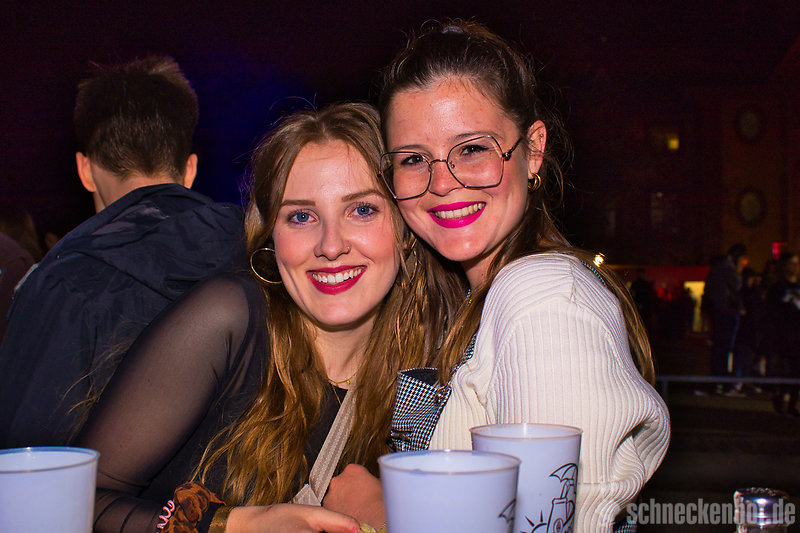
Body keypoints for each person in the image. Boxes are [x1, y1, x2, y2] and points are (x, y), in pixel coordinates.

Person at [329, 21, 670, 532]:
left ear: (533, 149)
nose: (441, 183)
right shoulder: (473, 301)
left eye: (472, 148)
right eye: (414, 159)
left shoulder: (542, 298)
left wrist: (377, 511)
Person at [75, 103, 441, 533]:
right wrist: (235, 525)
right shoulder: (229, 321)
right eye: (301, 216)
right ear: (271, 237)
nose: (330, 245)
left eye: (362, 210)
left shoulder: (423, 364)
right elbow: (75, 499)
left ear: (405, 226)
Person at [0, 56, 246, 447]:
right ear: (190, 169)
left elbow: (25, 455)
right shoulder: (265, 256)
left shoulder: (61, 282)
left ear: (86, 170)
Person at [702, 243, 747, 393]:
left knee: (719, 347)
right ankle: (723, 380)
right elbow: (736, 288)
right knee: (725, 347)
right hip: (727, 312)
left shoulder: (716, 269)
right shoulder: (728, 269)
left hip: (718, 311)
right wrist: (739, 307)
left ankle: (717, 380)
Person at [765, 251, 800, 416]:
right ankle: (779, 395)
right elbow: (771, 312)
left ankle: (792, 403)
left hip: (797, 335)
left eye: (797, 264)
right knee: (784, 368)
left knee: (797, 369)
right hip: (783, 335)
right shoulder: (778, 288)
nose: (795, 267)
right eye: (792, 263)